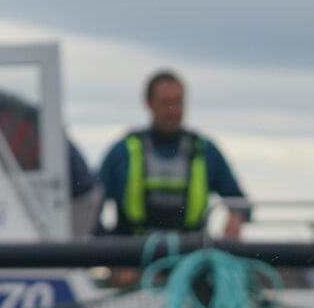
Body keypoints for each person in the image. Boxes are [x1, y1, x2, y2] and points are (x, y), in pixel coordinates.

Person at [97, 70, 249, 241]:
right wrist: (109, 247)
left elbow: (239, 201)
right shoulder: (123, 152)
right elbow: (92, 204)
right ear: (149, 103)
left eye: (178, 102)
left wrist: (236, 218)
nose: (174, 110)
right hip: (134, 255)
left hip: (191, 256)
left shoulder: (205, 151)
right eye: (166, 103)